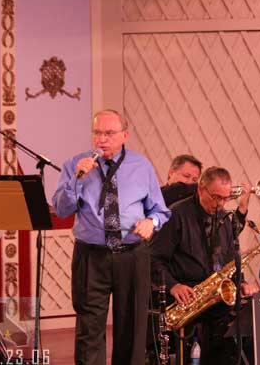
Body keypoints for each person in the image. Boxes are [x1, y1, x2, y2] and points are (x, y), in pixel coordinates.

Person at [52, 109, 170, 365]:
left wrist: (152, 222)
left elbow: (160, 210)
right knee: (89, 328)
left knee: (132, 328)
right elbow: (61, 209)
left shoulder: (142, 166)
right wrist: (77, 179)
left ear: (124, 135)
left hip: (132, 255)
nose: (101, 139)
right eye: (97, 133)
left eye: (109, 133)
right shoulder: (75, 164)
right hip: (91, 256)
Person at [151, 166, 260, 364]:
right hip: (186, 296)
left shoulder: (224, 218)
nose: (221, 204)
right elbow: (153, 259)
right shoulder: (176, 215)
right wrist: (173, 285)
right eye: (216, 197)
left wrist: (242, 282)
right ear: (201, 189)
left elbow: (229, 260)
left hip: (215, 298)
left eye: (226, 198)